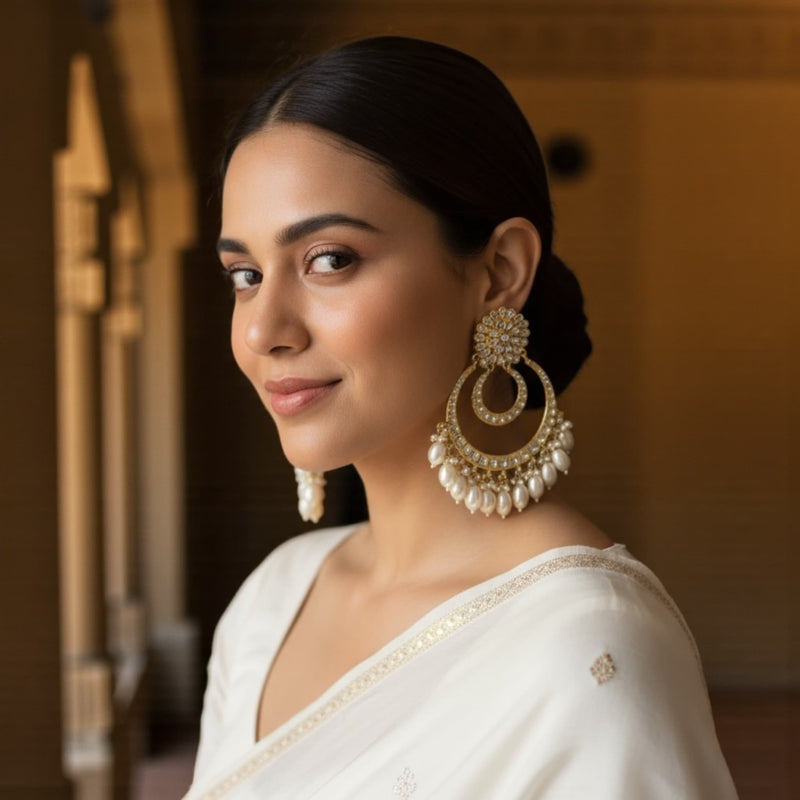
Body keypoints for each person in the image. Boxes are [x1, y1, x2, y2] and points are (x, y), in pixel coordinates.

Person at [185, 36, 737, 799]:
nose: (262, 329)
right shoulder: (271, 604)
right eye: (244, 275)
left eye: (329, 259)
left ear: (499, 273)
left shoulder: (586, 646)